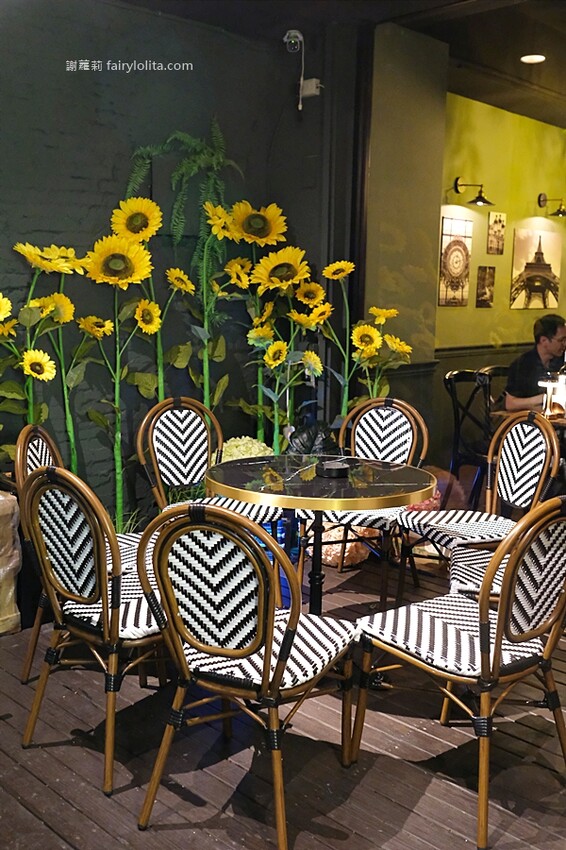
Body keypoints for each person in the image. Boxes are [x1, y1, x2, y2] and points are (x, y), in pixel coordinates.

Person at [504, 314, 566, 411]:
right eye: (561, 340)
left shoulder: (562, 362)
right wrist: (544, 398)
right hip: (531, 417)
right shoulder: (523, 364)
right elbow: (510, 403)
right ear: (544, 340)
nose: (564, 344)